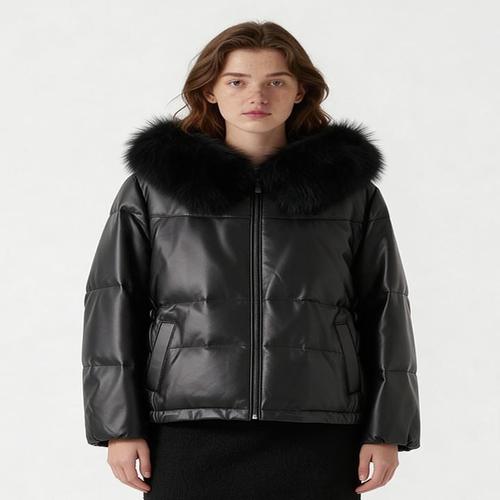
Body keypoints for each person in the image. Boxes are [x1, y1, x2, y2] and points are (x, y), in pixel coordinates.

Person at [81, 20, 420, 499]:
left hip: (317, 428)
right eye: (237, 82)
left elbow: (385, 308)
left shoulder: (349, 194)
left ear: (300, 91)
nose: (256, 96)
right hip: (188, 429)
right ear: (210, 91)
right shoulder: (155, 190)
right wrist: (120, 427)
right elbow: (114, 301)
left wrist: (386, 431)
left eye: (275, 82)